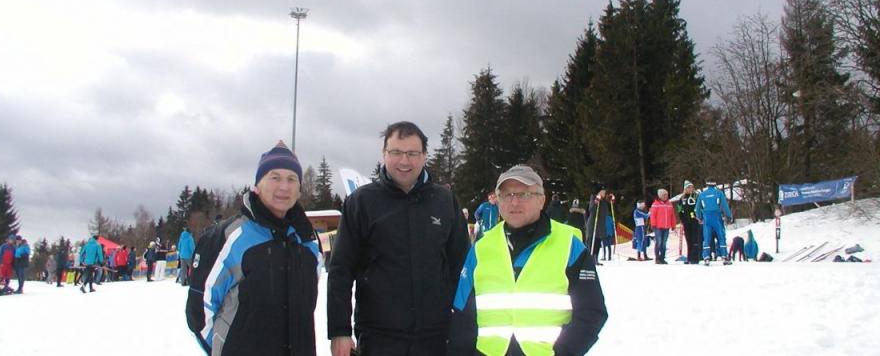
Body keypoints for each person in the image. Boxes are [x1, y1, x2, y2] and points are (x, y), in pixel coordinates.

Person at [328, 121, 470, 356]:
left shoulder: (445, 201)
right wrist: (339, 330)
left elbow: (461, 268)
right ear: (384, 154)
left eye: (412, 153)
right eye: (396, 152)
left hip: (435, 337)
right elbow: (341, 270)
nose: (404, 161)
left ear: (424, 156)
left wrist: (464, 328)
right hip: (379, 338)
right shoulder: (362, 203)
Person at [447, 165, 607, 355]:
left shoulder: (569, 245)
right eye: (507, 195)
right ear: (498, 201)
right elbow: (463, 316)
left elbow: (591, 312)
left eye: (524, 195)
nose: (514, 202)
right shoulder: (482, 247)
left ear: (542, 200)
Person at [186, 140, 321, 356]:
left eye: (291, 179)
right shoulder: (230, 236)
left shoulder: (308, 241)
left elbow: (307, 306)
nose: (284, 186)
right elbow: (199, 312)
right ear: (257, 185)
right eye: (274, 177)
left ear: (299, 188)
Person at [695, 179, 733, 265]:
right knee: (721, 236)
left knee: (707, 237)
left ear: (707, 185)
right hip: (717, 217)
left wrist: (699, 217)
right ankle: (724, 256)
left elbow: (697, 208)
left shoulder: (702, 194)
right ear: (715, 184)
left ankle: (706, 257)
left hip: (707, 218)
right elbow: (724, 205)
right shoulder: (719, 193)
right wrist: (729, 215)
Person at [673, 181, 702, 264]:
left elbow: (700, 207)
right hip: (686, 221)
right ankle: (689, 258)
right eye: (688, 187)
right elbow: (679, 209)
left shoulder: (696, 196)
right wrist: (681, 218)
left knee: (695, 239)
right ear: (685, 189)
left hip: (695, 220)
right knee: (689, 239)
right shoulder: (682, 198)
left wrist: (699, 216)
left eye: (691, 187)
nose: (690, 189)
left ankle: (695, 258)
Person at [649, 189, 678, 264]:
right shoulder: (655, 204)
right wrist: (653, 224)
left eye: (666, 195)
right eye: (664, 195)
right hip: (658, 226)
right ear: (660, 196)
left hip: (666, 226)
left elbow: (672, 216)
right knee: (659, 242)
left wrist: (673, 225)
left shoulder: (669, 204)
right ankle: (657, 258)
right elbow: (653, 215)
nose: (666, 196)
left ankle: (662, 257)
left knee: (664, 243)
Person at [586, 185, 610, 264]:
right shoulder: (593, 198)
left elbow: (606, 211)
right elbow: (591, 210)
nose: (604, 193)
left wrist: (610, 200)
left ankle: (596, 258)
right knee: (592, 241)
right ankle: (591, 259)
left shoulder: (603, 201)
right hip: (594, 224)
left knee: (598, 242)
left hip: (600, 225)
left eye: (604, 192)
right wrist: (596, 202)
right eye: (602, 192)